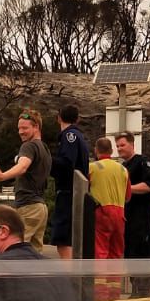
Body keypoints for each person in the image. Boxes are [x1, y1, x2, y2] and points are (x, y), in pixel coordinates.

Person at [0, 111, 52, 252]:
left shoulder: (29, 146)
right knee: (34, 252)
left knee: (16, 248)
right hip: (40, 208)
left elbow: (22, 167)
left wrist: (2, 177)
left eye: (25, 128)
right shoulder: (45, 149)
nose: (20, 132)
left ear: (36, 127)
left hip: (28, 206)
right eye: (19, 128)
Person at [48, 104, 91, 259]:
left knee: (63, 240)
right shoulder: (80, 137)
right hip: (75, 192)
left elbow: (67, 163)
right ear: (78, 119)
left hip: (68, 193)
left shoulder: (69, 136)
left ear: (59, 118)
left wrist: (48, 162)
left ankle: (71, 278)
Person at [115, 134, 150, 260]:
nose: (119, 148)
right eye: (117, 146)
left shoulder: (142, 162)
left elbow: (149, 186)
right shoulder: (122, 167)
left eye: (122, 145)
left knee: (139, 256)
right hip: (126, 218)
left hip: (140, 220)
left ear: (132, 145)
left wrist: (127, 189)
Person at [88, 136, 127, 260]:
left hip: (101, 211)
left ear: (96, 150)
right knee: (116, 251)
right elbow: (128, 195)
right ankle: (114, 279)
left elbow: (83, 189)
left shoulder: (92, 167)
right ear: (111, 151)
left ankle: (100, 279)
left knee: (100, 249)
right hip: (120, 213)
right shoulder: (123, 169)